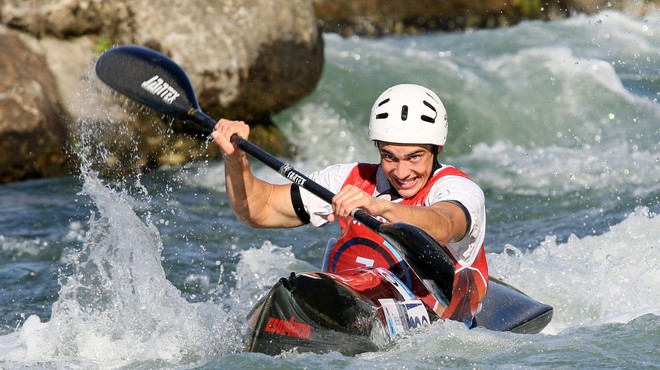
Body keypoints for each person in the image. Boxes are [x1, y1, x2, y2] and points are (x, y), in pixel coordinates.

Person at [212, 84, 488, 324]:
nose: (402, 172)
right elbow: (260, 210)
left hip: (435, 315)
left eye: (414, 157)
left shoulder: (458, 189)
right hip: (354, 302)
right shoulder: (348, 179)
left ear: (437, 149)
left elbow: (444, 223)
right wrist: (236, 161)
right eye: (389, 156)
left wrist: (383, 208)